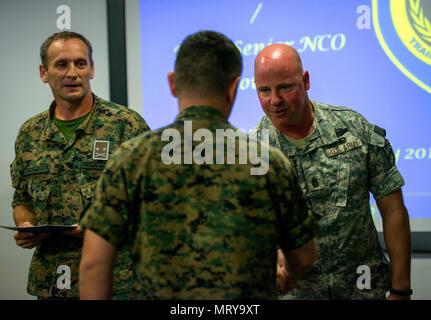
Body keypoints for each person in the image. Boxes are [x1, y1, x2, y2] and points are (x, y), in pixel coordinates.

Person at [79, 30, 318, 299]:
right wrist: (288, 274)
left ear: (172, 84)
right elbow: (304, 257)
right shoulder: (268, 162)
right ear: (233, 87)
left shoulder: (131, 159)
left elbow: (93, 265)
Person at [251, 44, 412, 300]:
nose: (275, 100)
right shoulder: (253, 153)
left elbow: (393, 209)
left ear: (305, 81)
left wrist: (401, 290)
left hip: (364, 288)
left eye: (285, 87)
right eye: (264, 90)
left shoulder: (353, 128)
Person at [10, 31, 150, 299]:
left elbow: (153, 200)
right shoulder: (29, 133)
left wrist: (103, 225)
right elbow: (22, 198)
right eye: (62, 64)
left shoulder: (126, 125)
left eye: (80, 63)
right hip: (52, 282)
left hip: (117, 281)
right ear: (44, 72)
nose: (72, 73)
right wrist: (26, 224)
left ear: (92, 69)